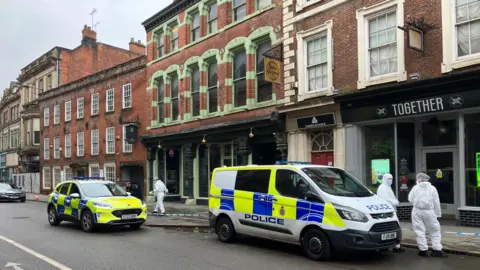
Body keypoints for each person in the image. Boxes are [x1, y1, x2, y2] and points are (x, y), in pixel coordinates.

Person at [408, 173, 447, 258]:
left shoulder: (415, 188)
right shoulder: (432, 188)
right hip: (429, 212)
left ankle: (423, 250)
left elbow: (410, 199)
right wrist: (438, 214)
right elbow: (436, 202)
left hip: (417, 211)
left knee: (419, 230)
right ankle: (436, 250)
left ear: (419, 179)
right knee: (434, 230)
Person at [377, 173, 405, 253]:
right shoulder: (383, 188)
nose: (391, 180)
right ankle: (393, 246)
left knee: (393, 229)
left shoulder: (387, 187)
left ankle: (395, 245)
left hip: (390, 211)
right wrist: (395, 202)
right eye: (389, 179)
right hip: (386, 212)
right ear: (385, 179)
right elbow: (386, 199)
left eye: (391, 179)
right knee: (389, 229)